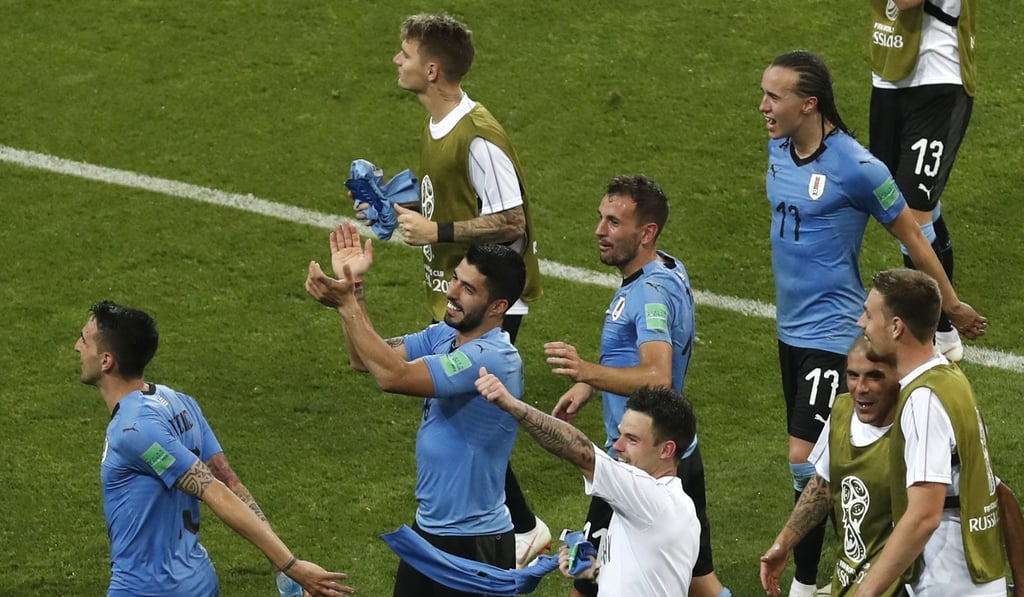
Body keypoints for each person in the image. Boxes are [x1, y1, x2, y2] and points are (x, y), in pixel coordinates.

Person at [758, 49, 986, 597]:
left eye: (774, 96)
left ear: (808, 104)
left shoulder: (858, 167)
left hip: (834, 332)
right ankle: (841, 568)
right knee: (821, 463)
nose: (762, 106)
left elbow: (913, 235)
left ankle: (810, 583)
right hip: (789, 330)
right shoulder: (778, 148)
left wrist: (950, 306)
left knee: (804, 458)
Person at [358, 12, 548, 564]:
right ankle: (512, 526)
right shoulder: (437, 122)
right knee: (460, 418)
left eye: (406, 53)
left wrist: (435, 231)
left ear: (433, 68)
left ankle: (519, 528)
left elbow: (510, 218)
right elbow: (453, 201)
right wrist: (402, 213)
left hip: (488, 300)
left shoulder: (478, 137)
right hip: (454, 287)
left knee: (470, 420)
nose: (398, 59)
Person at [305, 222, 526, 597]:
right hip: (430, 531)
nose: (452, 292)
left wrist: (345, 307)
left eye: (468, 289)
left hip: (473, 543)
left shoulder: (493, 358)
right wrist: (354, 288)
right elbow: (366, 359)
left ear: (498, 307)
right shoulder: (445, 334)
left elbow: (393, 376)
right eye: (456, 279)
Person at [74, 301, 352, 597]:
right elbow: (231, 483)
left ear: (106, 361)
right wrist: (281, 568)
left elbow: (217, 492)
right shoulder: (179, 401)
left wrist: (291, 565)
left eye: (83, 340)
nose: (77, 347)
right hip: (198, 580)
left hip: (148, 588)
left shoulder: (133, 429)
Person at [543, 175, 729, 597]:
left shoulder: (649, 294)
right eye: (600, 218)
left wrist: (587, 370)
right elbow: (634, 355)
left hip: (640, 463)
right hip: (676, 451)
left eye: (613, 222)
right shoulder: (667, 265)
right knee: (700, 582)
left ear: (646, 233)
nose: (599, 231)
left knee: (584, 578)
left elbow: (657, 375)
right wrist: (592, 387)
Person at [760, 336, 1024, 596]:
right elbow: (824, 483)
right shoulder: (842, 412)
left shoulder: (920, 426)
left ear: (898, 378)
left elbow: (997, 495)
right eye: (852, 375)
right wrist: (784, 543)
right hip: (850, 582)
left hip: (898, 585)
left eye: (874, 376)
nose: (860, 388)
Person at [476, 372, 701, 597]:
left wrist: (511, 405)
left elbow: (581, 452)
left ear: (666, 450)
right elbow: (647, 580)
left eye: (632, 439)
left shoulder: (653, 500)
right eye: (620, 434)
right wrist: (593, 571)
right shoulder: (680, 508)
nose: (618, 445)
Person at [854, 268, 1002, 595]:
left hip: (948, 582)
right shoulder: (949, 377)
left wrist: (865, 592)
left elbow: (924, 515)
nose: (860, 323)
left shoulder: (924, 401)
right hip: (974, 576)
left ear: (896, 327)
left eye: (868, 314)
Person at [866, 0, 977, 361]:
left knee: (912, 214)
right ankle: (942, 325)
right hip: (888, 71)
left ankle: (937, 330)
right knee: (898, 208)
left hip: (939, 76)